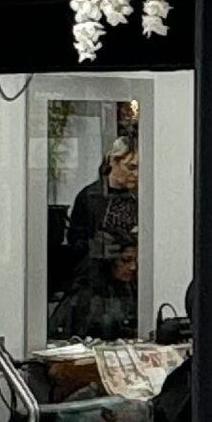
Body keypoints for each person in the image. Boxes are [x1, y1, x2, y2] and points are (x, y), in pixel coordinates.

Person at [52, 145, 142, 340]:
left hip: (128, 281)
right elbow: (75, 243)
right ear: (114, 163)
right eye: (131, 167)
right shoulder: (89, 197)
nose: (136, 174)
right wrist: (100, 247)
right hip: (94, 282)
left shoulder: (139, 198)